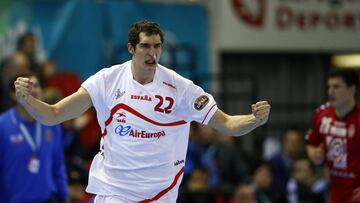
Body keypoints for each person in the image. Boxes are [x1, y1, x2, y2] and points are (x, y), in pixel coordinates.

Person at [14, 20, 270, 203]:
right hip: (114, 190)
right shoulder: (106, 81)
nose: (153, 53)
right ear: (131, 48)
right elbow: (54, 114)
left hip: (160, 192)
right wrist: (27, 101)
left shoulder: (180, 88)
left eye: (157, 46)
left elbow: (226, 124)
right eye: (146, 46)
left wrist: (254, 120)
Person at [0, 74, 68, 203]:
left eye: (36, 85)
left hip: (47, 199)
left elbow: (58, 165)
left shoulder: (51, 124)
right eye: (28, 86)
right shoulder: (2, 126)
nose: (34, 90)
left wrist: (64, 195)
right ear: (13, 94)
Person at [306, 68, 360, 203]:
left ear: (352, 89)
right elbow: (311, 143)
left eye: (336, 87)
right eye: (329, 86)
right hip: (334, 192)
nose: (330, 92)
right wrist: (315, 155)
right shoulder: (321, 115)